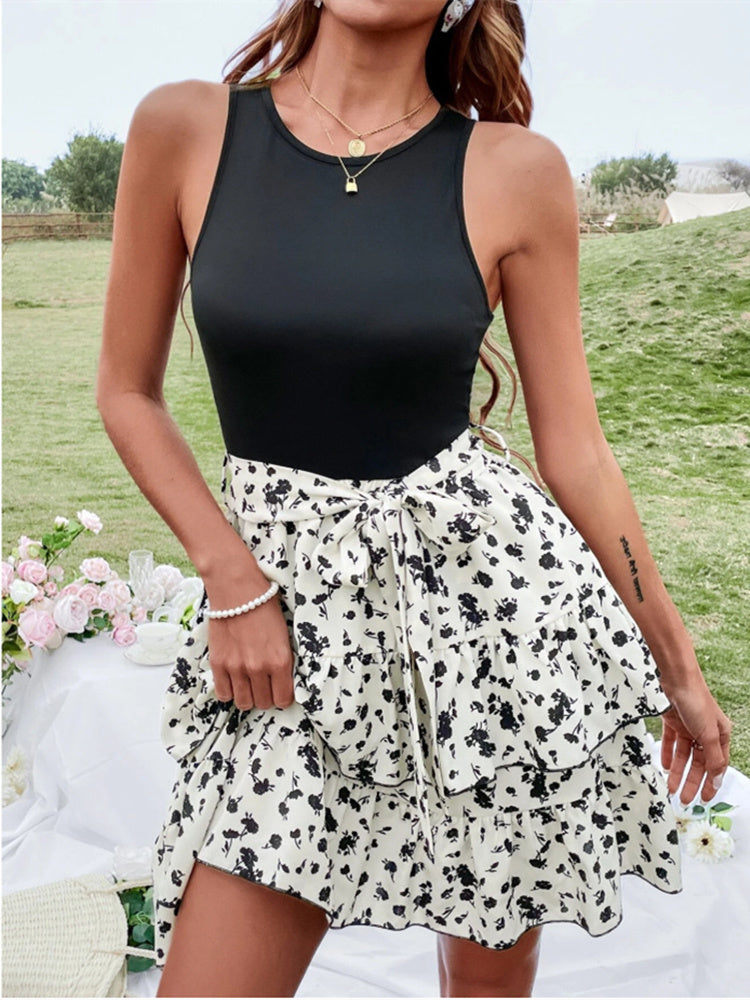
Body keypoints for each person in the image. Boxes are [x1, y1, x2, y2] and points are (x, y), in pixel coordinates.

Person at [96, 1, 732, 996]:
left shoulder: (515, 171)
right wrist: (232, 577)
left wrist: (677, 665)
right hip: (286, 622)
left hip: (487, 634)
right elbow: (125, 391)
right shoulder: (186, 128)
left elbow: (577, 453)